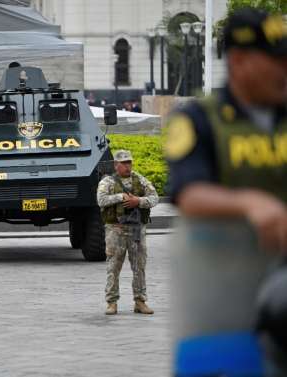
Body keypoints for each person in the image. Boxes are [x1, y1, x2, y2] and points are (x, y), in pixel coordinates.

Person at [164, 8, 287, 375]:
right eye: (276, 61)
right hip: (222, 303)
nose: (284, 70)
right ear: (239, 61)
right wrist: (251, 203)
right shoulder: (196, 119)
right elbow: (189, 193)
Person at [97, 149, 159, 315]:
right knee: (113, 267)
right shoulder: (108, 182)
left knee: (139, 267)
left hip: (137, 230)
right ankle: (111, 302)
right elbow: (101, 200)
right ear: (116, 165)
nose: (127, 166)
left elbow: (155, 198)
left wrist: (137, 201)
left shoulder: (140, 179)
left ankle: (140, 301)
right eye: (123, 163)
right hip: (115, 230)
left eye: (129, 162)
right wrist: (121, 197)